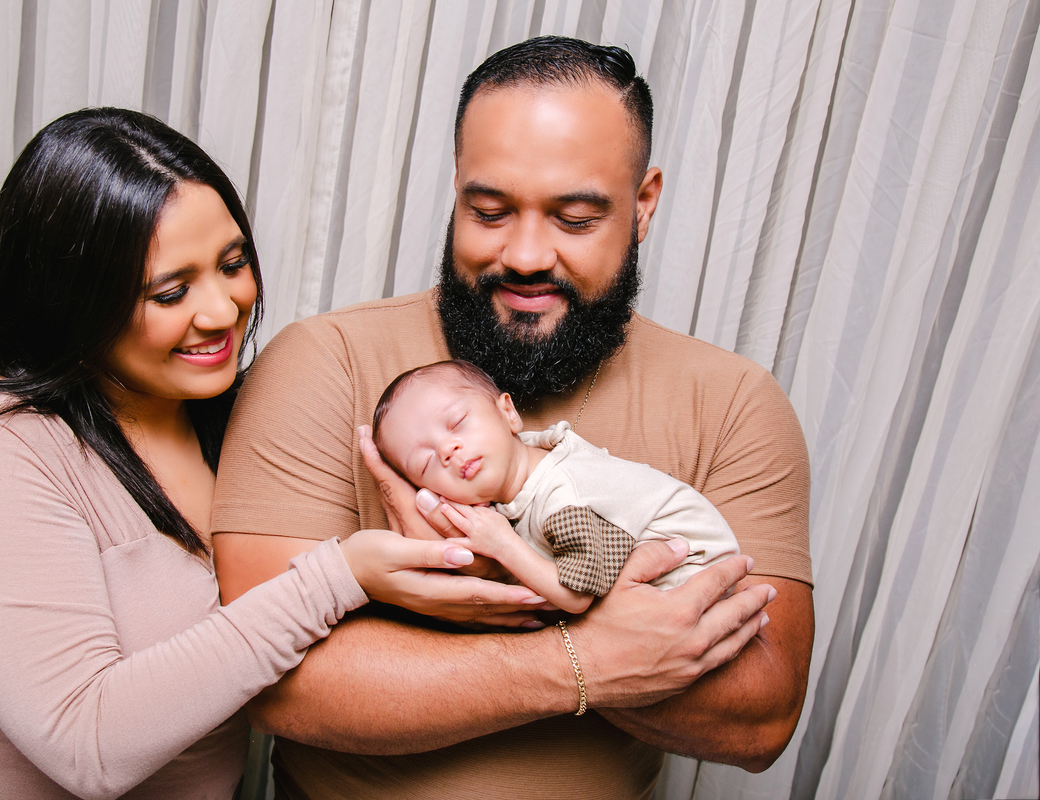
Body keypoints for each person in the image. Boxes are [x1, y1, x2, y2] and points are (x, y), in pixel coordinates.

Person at [212, 36, 813, 800]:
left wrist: (510, 581)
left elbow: (761, 717)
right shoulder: (323, 361)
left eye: (575, 218)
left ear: (643, 204)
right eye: (490, 210)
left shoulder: (734, 404)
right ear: (456, 186)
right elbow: (266, 679)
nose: (526, 254)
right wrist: (587, 655)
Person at [0, 107, 525, 800]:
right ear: (71, 301)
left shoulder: (231, 414)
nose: (223, 311)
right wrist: (339, 578)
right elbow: (86, 744)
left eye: (233, 264)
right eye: (171, 292)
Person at [371, 359, 740, 612]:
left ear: (508, 412)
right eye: (425, 463)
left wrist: (503, 545)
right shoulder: (528, 466)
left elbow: (577, 596)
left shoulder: (563, 496)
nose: (447, 450)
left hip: (695, 571)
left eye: (457, 422)